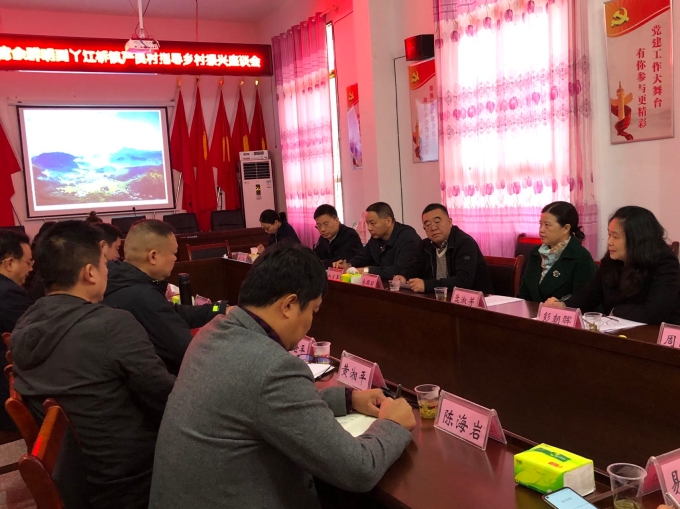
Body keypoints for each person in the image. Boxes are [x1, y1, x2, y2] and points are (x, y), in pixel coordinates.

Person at [148, 243, 415, 509]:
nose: (311, 322)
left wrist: (347, 399)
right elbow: (358, 469)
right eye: (313, 311)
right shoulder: (273, 367)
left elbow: (258, 403)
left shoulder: (214, 331)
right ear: (288, 305)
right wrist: (393, 424)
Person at [10, 221, 175, 509]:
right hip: (131, 480)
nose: (108, 271)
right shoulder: (111, 324)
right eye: (104, 264)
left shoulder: (23, 325)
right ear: (90, 272)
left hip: (77, 481)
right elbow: (166, 399)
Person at [103, 219, 228, 374]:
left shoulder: (118, 279)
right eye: (174, 253)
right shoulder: (143, 297)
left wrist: (219, 309)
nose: (175, 259)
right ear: (153, 256)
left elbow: (172, 312)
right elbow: (191, 353)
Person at [546, 206, 680, 324]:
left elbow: (654, 313)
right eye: (609, 235)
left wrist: (616, 311)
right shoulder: (612, 260)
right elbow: (590, 294)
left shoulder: (665, 263)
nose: (609, 242)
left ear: (636, 239)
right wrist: (564, 305)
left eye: (615, 237)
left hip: (653, 337)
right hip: (618, 331)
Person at [395, 204, 492, 294]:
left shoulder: (465, 243)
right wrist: (403, 276)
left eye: (437, 222)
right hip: (441, 298)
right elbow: (415, 267)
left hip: (475, 300)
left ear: (449, 222)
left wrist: (427, 285)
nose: (433, 227)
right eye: (427, 224)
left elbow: (464, 281)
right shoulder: (425, 245)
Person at [517, 201, 597, 302]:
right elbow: (524, 295)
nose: (541, 230)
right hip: (533, 311)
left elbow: (584, 301)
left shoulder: (581, 257)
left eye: (547, 225)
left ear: (566, 228)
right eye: (540, 224)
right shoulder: (536, 254)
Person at [0, 230, 34, 431]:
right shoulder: (8, 293)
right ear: (10, 263)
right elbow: (31, 337)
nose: (31, 268)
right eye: (28, 262)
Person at [334, 202, 421, 279]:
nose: (369, 228)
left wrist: (367, 270)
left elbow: (399, 270)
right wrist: (349, 265)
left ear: (388, 221)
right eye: (367, 223)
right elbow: (364, 256)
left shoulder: (407, 237)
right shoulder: (376, 237)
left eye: (373, 223)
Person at [312, 204, 363, 268]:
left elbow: (342, 261)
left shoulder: (350, 235)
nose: (322, 229)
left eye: (326, 224)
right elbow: (315, 256)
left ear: (336, 220)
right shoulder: (323, 238)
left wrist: (319, 263)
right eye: (319, 226)